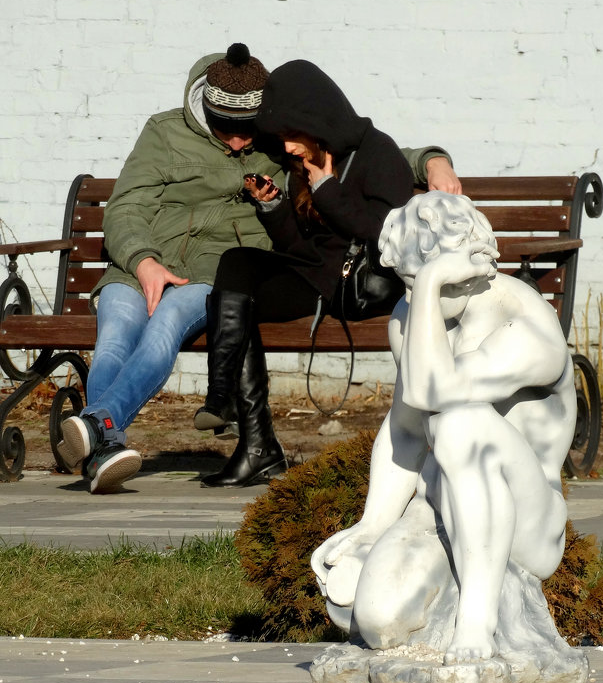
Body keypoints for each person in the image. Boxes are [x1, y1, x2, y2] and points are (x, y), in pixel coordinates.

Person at [56, 44, 461, 493]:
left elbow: (359, 146)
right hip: (141, 266)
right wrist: (143, 261)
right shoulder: (165, 133)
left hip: (205, 275)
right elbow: (126, 206)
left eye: (244, 129)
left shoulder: (276, 141)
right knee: (113, 339)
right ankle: (104, 446)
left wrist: (432, 159)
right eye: (222, 127)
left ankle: (100, 425)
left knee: (171, 322)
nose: (235, 140)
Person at [310, 191, 577, 664]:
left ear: (470, 265)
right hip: (436, 504)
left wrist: (430, 279)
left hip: (527, 521)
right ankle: (436, 600)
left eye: (422, 280)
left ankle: (478, 616)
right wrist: (373, 525)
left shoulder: (524, 323)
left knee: (461, 423)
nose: (413, 297)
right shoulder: (411, 317)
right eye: (407, 282)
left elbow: (436, 391)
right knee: (378, 620)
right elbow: (409, 428)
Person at [197, 59, 426, 488]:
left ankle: (252, 444)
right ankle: (228, 408)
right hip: (318, 277)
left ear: (317, 121)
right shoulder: (308, 161)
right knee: (237, 268)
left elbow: (387, 237)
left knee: (237, 296)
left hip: (357, 288)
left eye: (291, 135)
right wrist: (273, 207)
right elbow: (300, 250)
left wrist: (328, 191)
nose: (286, 148)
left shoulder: (378, 154)